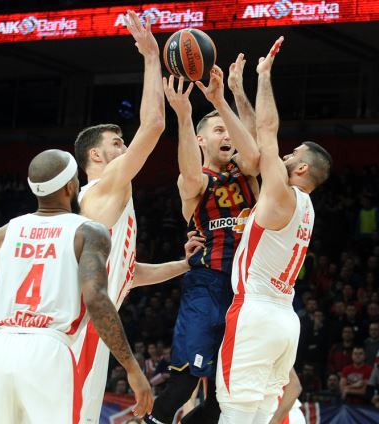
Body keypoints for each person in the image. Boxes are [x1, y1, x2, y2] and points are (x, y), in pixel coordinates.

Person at [0, 150, 152, 423]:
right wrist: (131, 367)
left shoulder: (1, 236)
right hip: (49, 350)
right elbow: (96, 300)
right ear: (70, 186)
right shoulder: (88, 232)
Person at [72, 12, 204, 423]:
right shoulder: (103, 187)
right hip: (78, 327)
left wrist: (185, 265)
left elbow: (129, 272)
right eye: (117, 143)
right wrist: (150, 56)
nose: (125, 147)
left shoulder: (107, 202)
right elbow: (154, 124)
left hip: (91, 326)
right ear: (96, 155)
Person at [216, 36, 332, 423]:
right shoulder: (303, 206)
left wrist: (264, 76)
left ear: (302, 168)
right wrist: (237, 91)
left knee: (235, 412)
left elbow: (266, 132)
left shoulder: (281, 194)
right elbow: (256, 144)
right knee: (262, 414)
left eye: (292, 154)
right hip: (284, 320)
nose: (284, 155)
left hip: (256, 311)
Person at [147, 53, 261, 424]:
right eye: (218, 130)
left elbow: (254, 149)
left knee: (223, 397)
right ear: (201, 139)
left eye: (230, 131)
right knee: (185, 383)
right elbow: (189, 173)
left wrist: (230, 95)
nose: (227, 135)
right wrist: (183, 114)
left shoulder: (248, 171)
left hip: (247, 290)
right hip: (207, 285)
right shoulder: (196, 182)